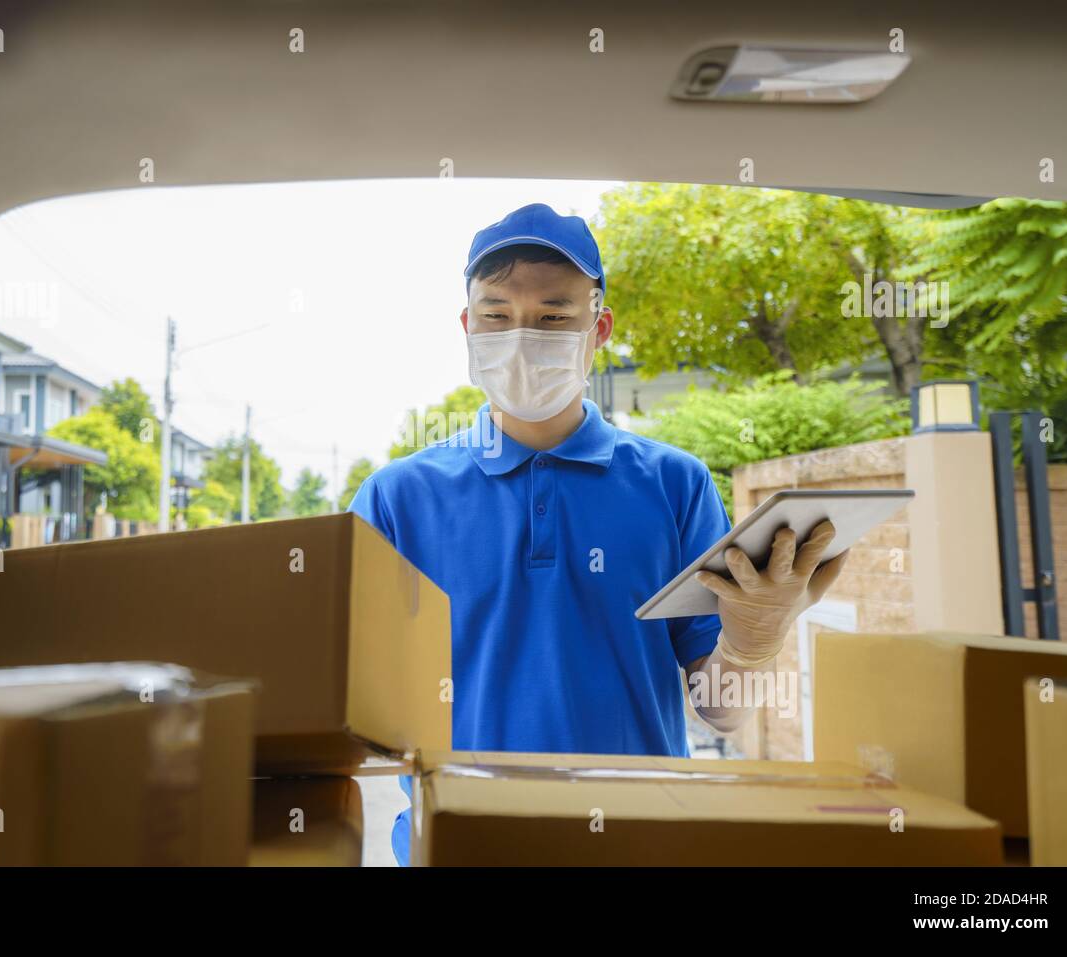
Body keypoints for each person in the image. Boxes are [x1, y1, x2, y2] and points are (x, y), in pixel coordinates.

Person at [348, 203, 847, 866]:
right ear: (468, 327)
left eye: (554, 316)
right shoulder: (397, 498)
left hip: (642, 844)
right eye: (497, 315)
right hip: (459, 845)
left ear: (599, 327)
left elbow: (722, 715)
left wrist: (753, 645)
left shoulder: (676, 485)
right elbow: (350, 710)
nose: (522, 337)